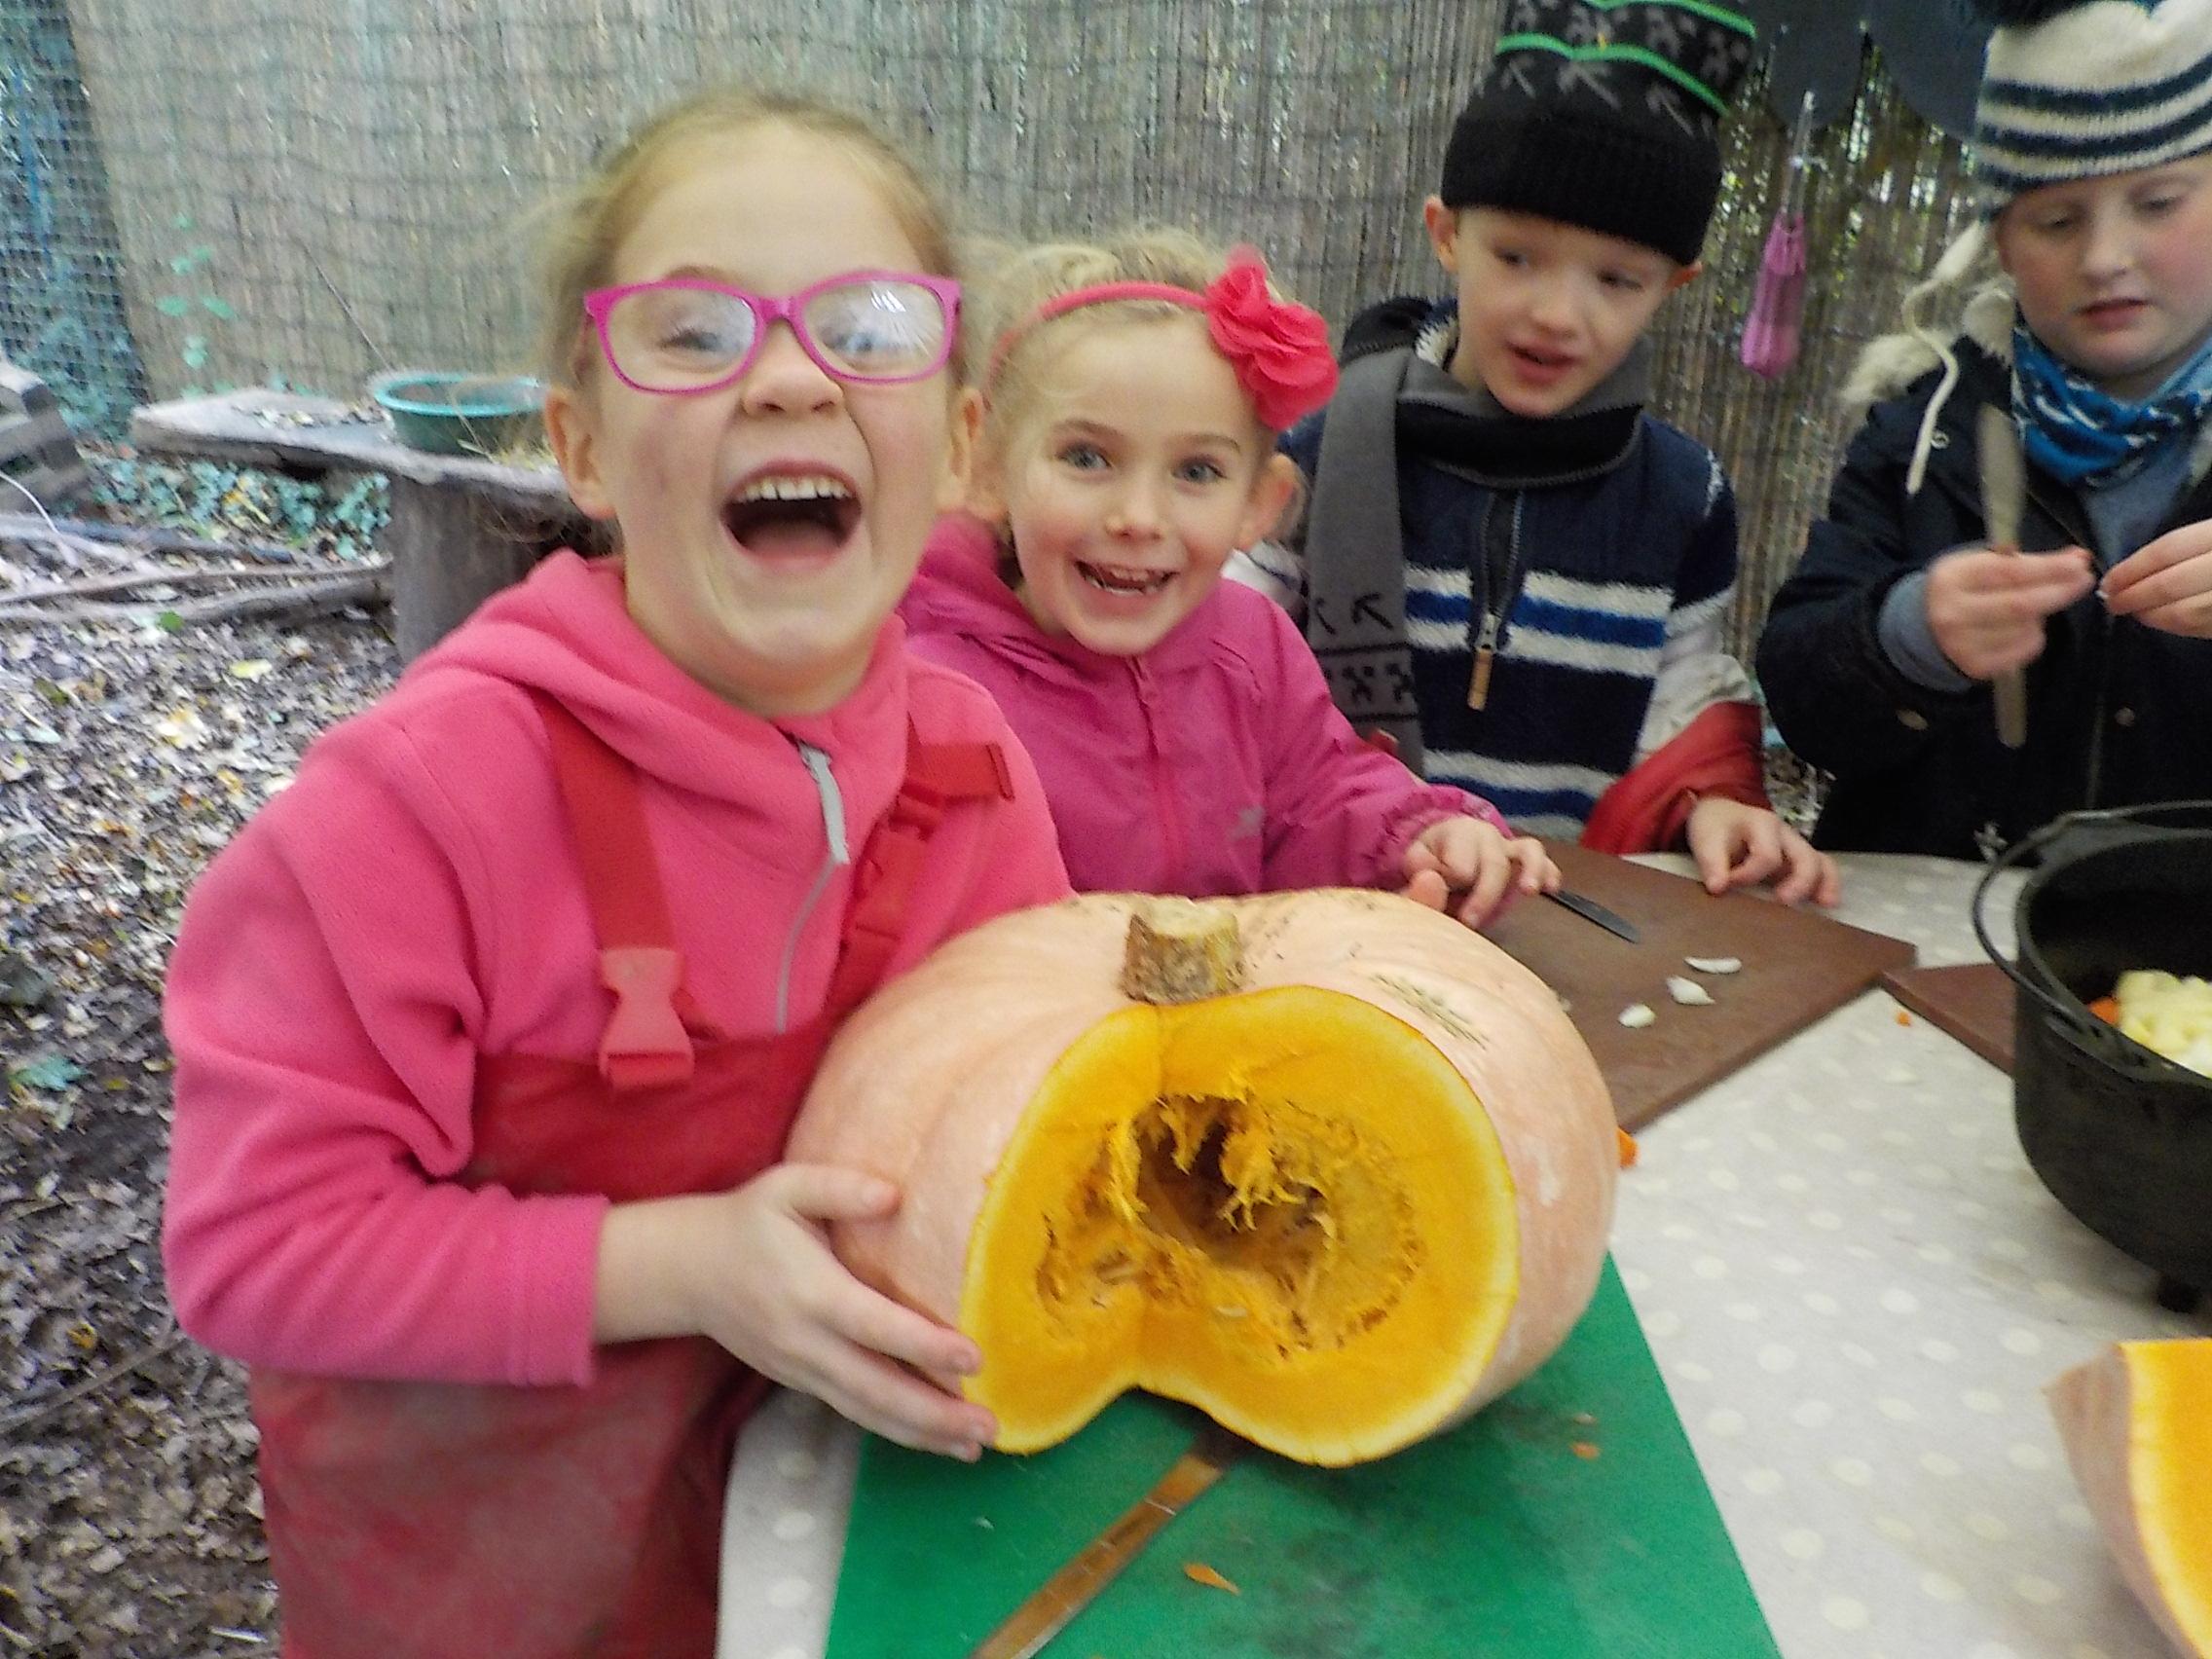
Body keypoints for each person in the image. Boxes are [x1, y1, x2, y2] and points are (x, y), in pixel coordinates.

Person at [159, 89, 1071, 1659]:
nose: (789, 374)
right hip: (482, 1594)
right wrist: (681, 1265)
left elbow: (1037, 1123)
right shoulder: (415, 808)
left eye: (866, 326)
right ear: (581, 446)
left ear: (960, 446)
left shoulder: (976, 770)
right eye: (695, 333)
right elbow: (250, 1249)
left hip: (836, 1558)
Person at [1237, 0, 1838, 906]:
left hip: (1554, 916)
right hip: (1344, 902)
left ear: (1673, 285)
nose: (1557, 314)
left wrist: (1714, 800)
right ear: (1447, 235)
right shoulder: (1320, 455)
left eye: (1616, 279)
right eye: (1517, 257)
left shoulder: (1684, 496)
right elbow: (1226, 654)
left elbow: (1680, 696)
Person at [900, 228, 1560, 928]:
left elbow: (1321, 793)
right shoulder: (928, 686)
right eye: (1087, 458)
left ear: (1257, 504)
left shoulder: (1251, 648)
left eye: (1196, 471)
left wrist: (1423, 837)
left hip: (1237, 988)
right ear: (987, 469)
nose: (1139, 517)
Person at [1757, 0, 2212, 859]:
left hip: (2176, 936)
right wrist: (1904, 640)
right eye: (2056, 220)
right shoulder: (1929, 428)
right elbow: (1800, 695)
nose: (2104, 258)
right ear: (1999, 241)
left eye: (2157, 203)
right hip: (1920, 924)